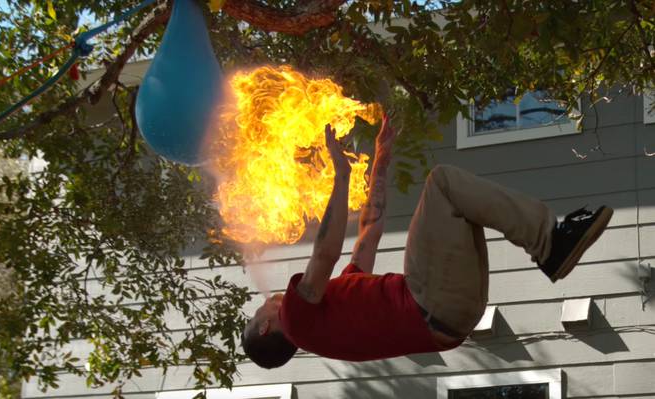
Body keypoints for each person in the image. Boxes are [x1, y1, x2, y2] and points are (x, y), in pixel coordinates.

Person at [241, 115, 613, 368]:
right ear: (264, 328)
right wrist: (340, 172)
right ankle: (550, 244)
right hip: (430, 303)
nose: (264, 304)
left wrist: (381, 158)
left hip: (451, 314)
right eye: (258, 313)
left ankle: (549, 243)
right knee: (443, 184)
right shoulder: (295, 319)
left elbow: (369, 232)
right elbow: (324, 254)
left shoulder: (331, 314)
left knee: (459, 207)